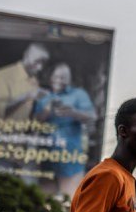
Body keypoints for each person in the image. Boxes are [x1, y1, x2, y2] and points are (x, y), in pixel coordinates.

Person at [33, 63, 98, 196]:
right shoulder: (44, 96)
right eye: (56, 76)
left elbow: (92, 116)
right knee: (41, 201)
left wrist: (73, 113)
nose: (58, 80)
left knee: (70, 203)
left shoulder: (79, 94)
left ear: (69, 79)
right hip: (47, 158)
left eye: (63, 77)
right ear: (51, 77)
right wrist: (47, 108)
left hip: (70, 159)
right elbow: (35, 122)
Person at [0, 42, 48, 120]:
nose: (40, 68)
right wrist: (26, 96)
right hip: (1, 130)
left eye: (43, 63)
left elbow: (28, 112)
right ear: (26, 56)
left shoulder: (34, 79)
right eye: (36, 61)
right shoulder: (3, 75)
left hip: (22, 130)